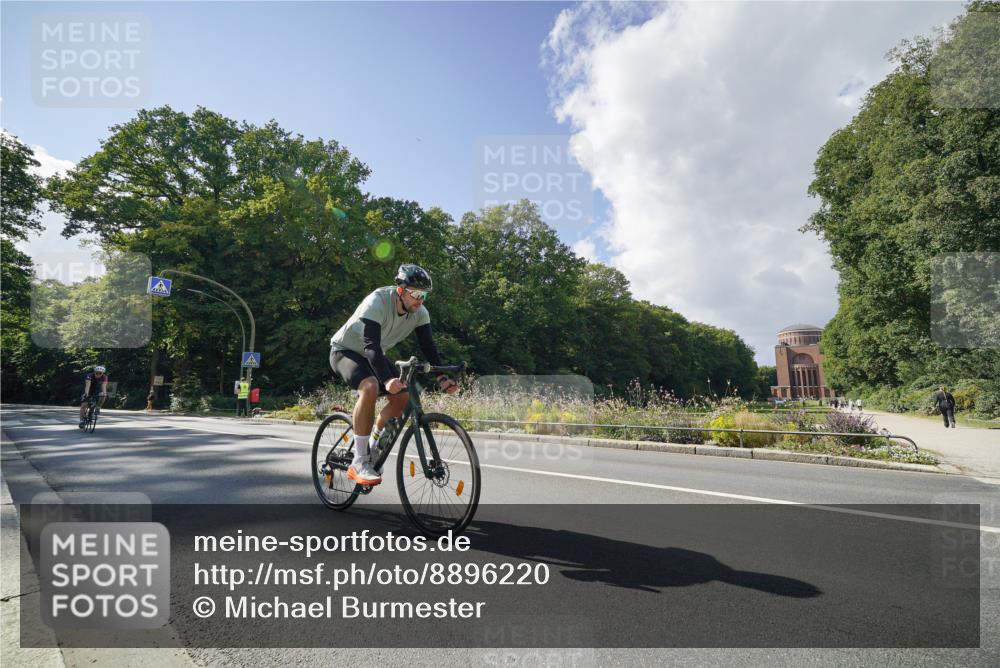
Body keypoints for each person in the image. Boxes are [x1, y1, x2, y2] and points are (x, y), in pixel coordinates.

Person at [329, 264, 458, 486]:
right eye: (416, 294)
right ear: (401, 290)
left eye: (425, 295)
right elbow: (370, 346)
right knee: (369, 387)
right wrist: (386, 379)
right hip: (345, 351)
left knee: (402, 396)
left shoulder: (420, 313)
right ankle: (358, 462)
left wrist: (442, 378)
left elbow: (428, 347)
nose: (421, 300)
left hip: (374, 355)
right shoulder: (378, 301)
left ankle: (371, 446)